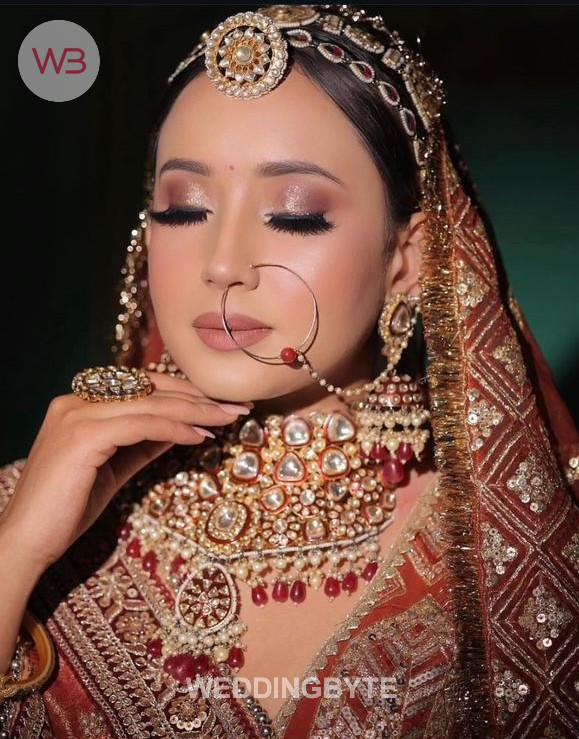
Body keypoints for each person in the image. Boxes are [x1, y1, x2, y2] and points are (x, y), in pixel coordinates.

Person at [0, 4, 577, 737]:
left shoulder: (511, 543)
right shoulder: (30, 511)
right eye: (183, 208)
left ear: (408, 259)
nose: (221, 265)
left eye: (294, 213)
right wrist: (16, 554)